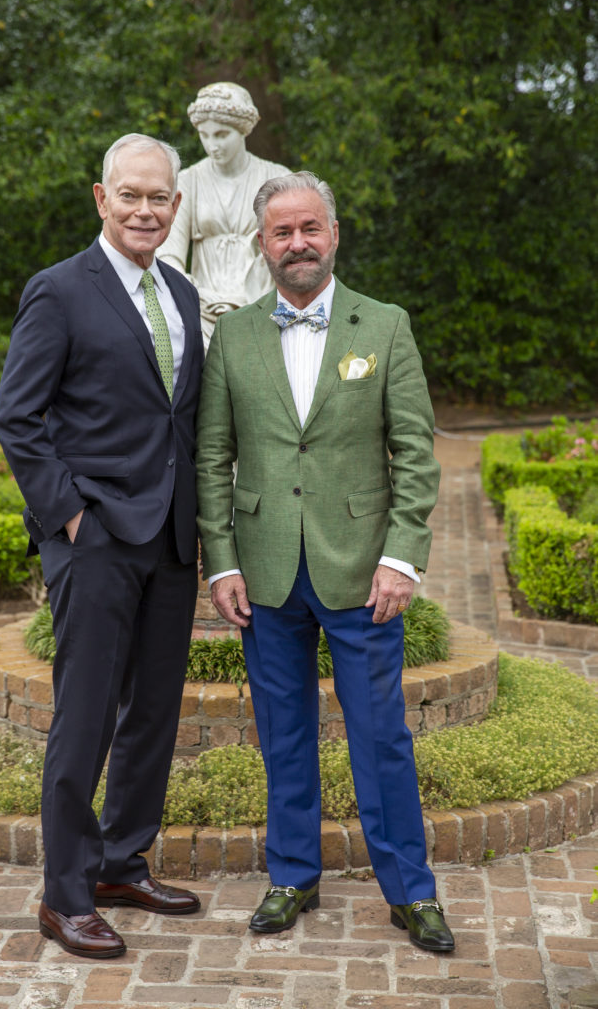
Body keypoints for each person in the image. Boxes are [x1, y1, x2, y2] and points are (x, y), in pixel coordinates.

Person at [196, 171, 455, 954]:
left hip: (359, 569)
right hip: (265, 570)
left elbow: (413, 450)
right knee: (282, 733)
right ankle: (291, 876)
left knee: (380, 736)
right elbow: (213, 455)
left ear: (333, 234)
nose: (297, 243)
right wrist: (220, 562)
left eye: (309, 228)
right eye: (281, 232)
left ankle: (410, 892)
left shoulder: (382, 325)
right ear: (262, 244)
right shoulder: (234, 336)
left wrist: (402, 557)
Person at [0, 134, 204, 959]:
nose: (145, 209)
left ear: (174, 207)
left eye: (159, 198)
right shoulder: (58, 291)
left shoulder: (181, 295)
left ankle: (123, 861)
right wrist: (70, 520)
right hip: (95, 540)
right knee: (83, 718)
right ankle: (66, 892)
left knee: (152, 711)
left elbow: (177, 419)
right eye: (131, 195)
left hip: (170, 540)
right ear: (101, 198)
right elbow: (17, 419)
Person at [157, 82, 289, 352]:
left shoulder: (277, 179)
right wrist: (194, 293)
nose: (211, 145)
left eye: (221, 134)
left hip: (263, 306)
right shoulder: (187, 182)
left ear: (242, 130)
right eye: (204, 135)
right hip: (202, 310)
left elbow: (294, 249)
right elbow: (168, 256)